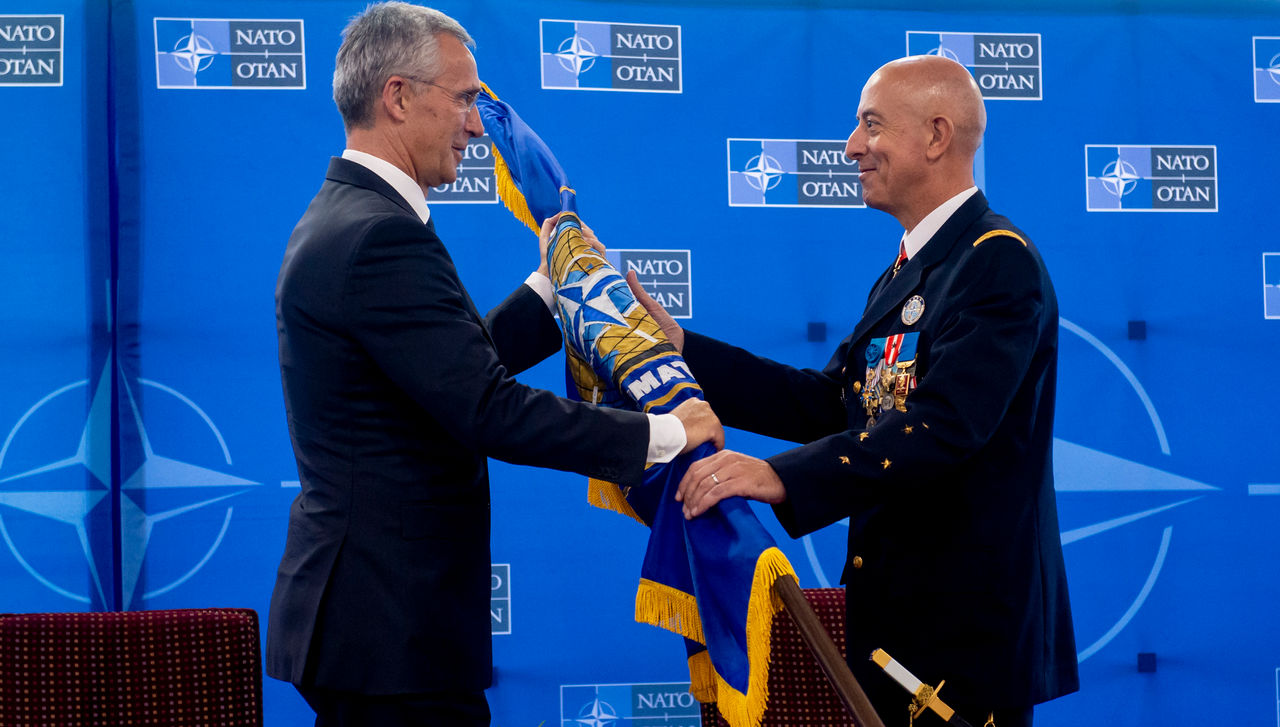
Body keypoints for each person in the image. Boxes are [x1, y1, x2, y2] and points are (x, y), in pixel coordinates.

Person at [265, 4, 723, 725]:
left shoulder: (349, 217)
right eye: (466, 99)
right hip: (391, 631)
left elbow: (441, 373)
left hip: (378, 624)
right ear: (398, 96)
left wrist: (557, 287)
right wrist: (662, 434)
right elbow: (485, 407)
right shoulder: (379, 236)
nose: (478, 126)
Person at [628, 55, 1078, 726]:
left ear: (935, 135)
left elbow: (943, 426)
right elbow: (829, 402)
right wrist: (687, 353)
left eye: (871, 124)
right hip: (895, 630)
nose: (851, 146)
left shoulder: (996, 261)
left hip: (962, 645)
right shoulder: (912, 269)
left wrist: (776, 476)